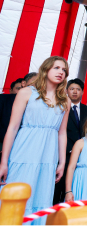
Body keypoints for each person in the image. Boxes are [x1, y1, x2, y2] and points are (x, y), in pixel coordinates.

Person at [0, 56, 70, 225]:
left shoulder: (64, 100)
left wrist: (62, 162)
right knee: (17, 194)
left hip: (48, 156)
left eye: (64, 70)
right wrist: (3, 162)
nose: (61, 72)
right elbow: (13, 127)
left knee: (41, 197)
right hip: (24, 151)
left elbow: (62, 133)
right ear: (45, 70)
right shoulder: (26, 93)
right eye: (56, 68)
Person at [53, 78, 87, 204]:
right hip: (62, 155)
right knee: (57, 189)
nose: (75, 92)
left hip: (83, 157)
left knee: (76, 190)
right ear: (66, 91)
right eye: (71, 89)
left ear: (82, 92)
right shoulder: (58, 108)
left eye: (78, 89)